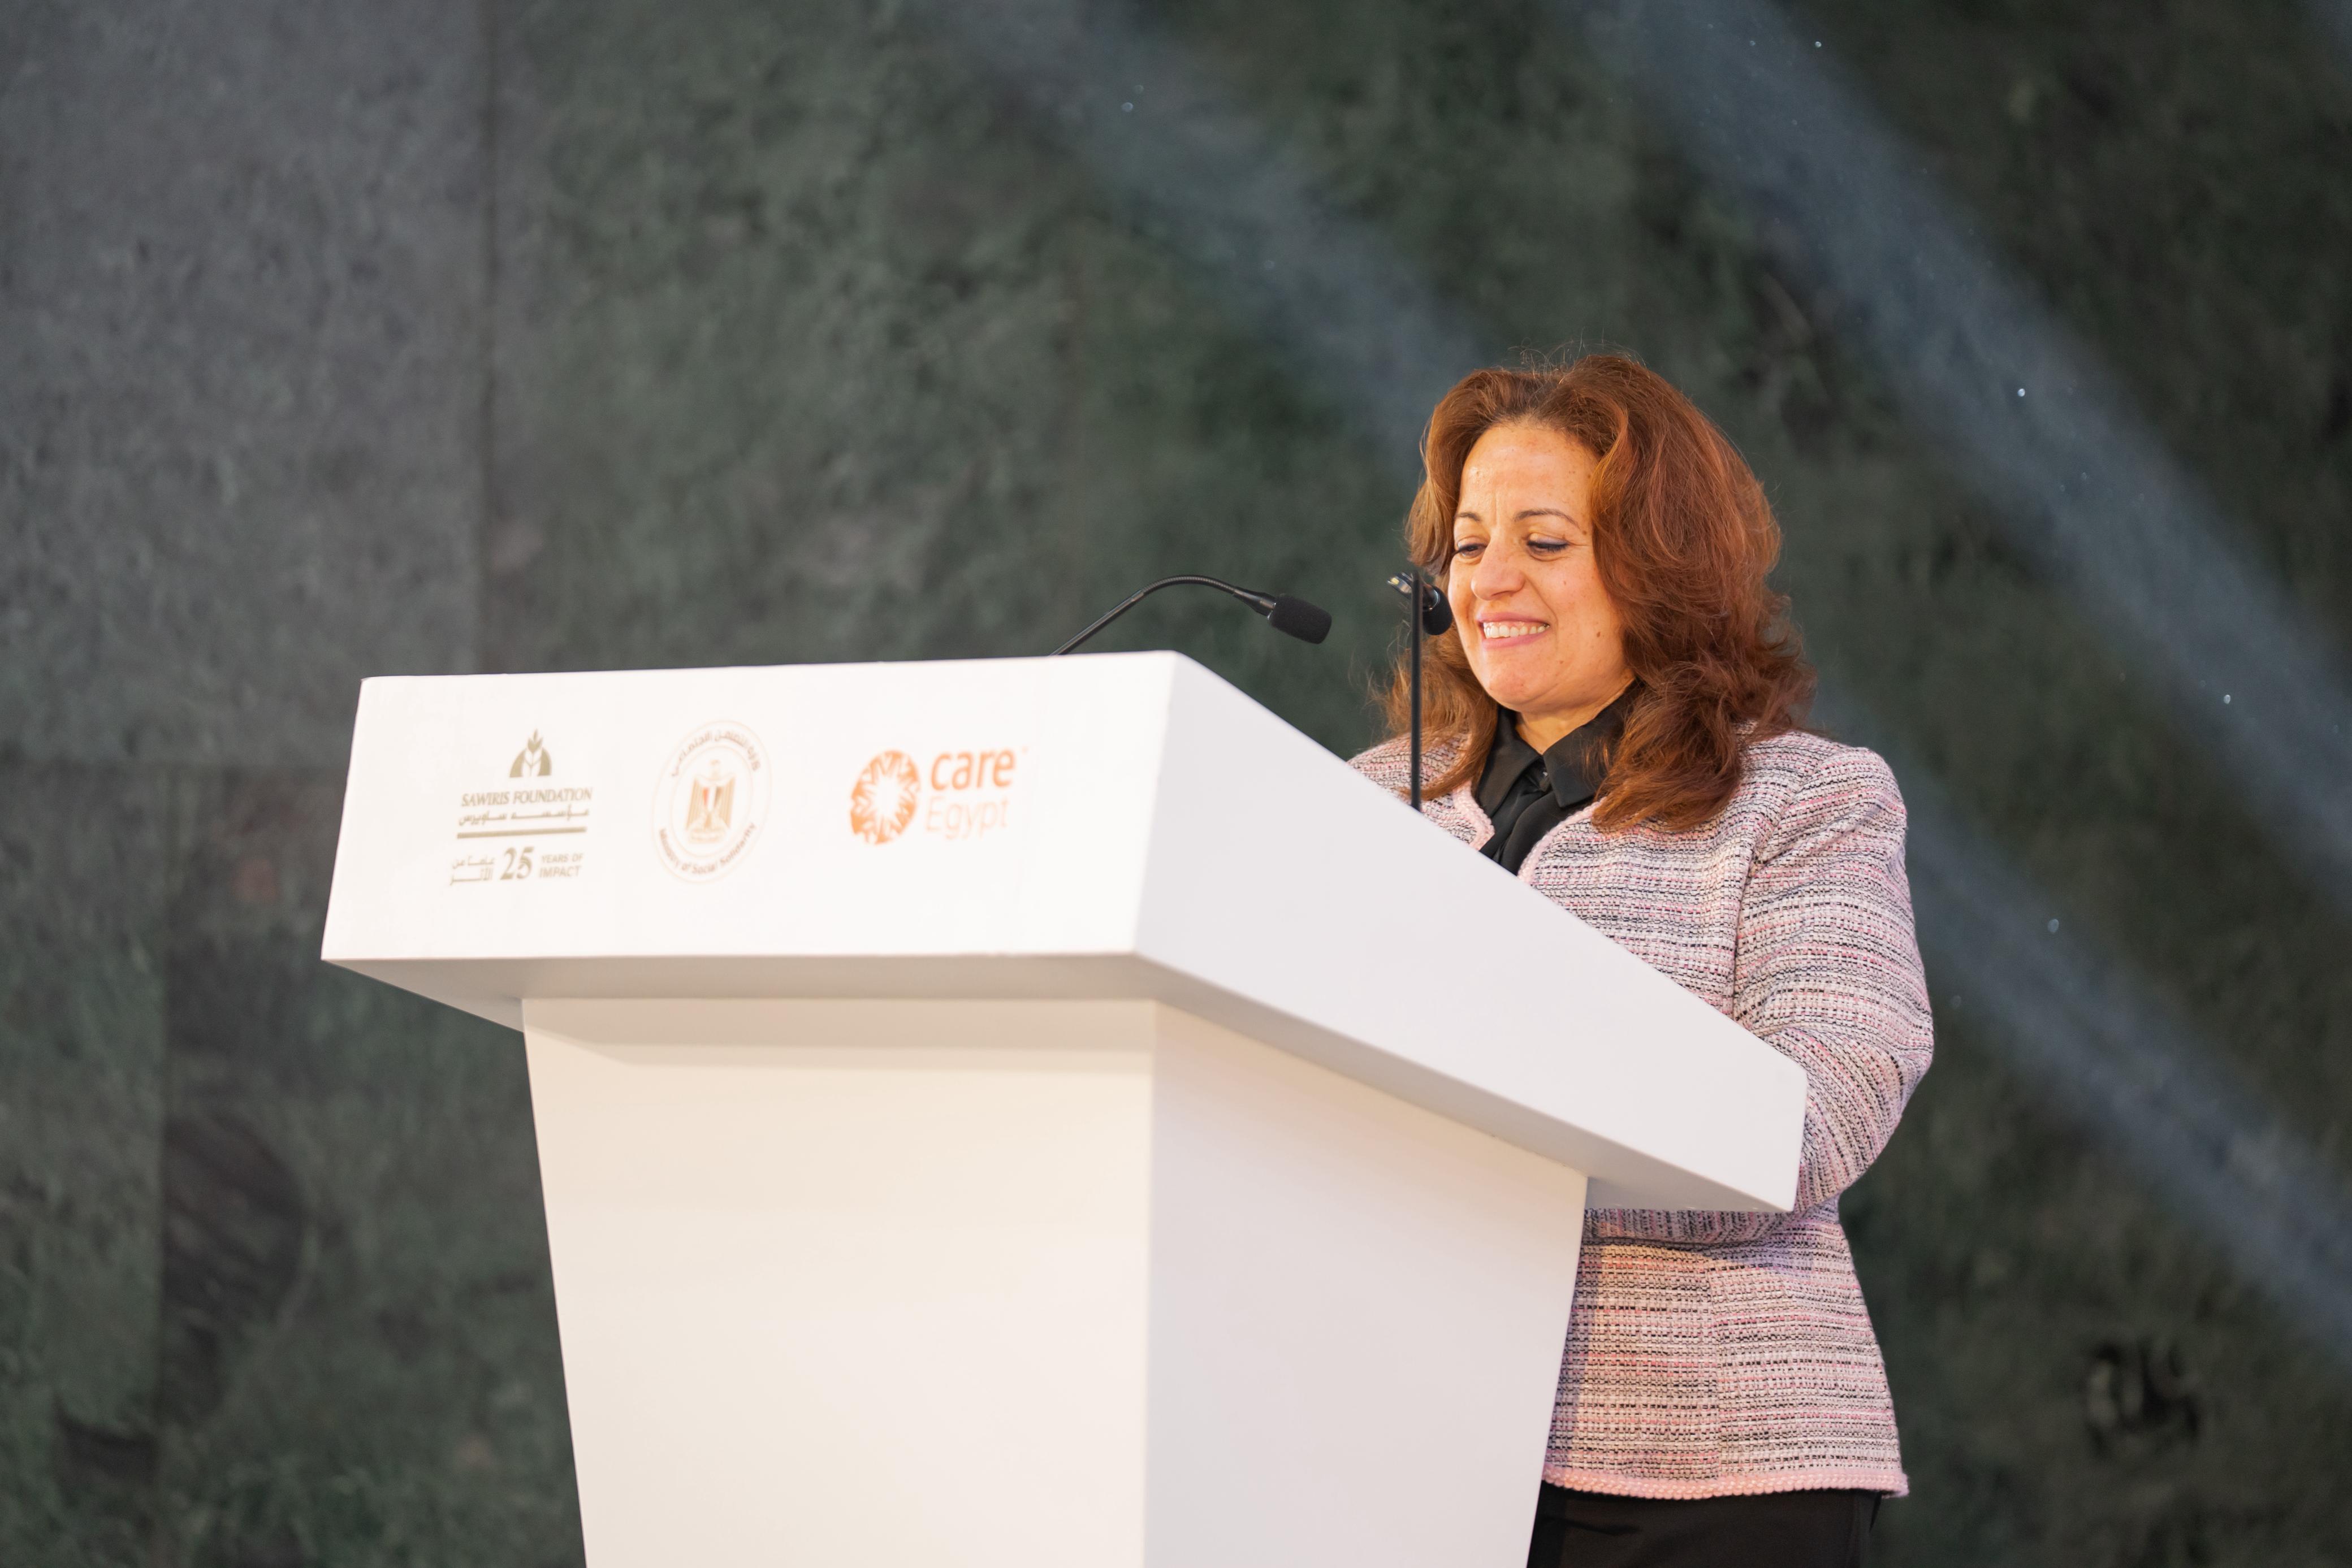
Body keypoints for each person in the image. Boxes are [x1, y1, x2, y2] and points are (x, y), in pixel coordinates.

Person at [1354, 357, 1932, 1568]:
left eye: (1544, 541)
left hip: (1713, 1468)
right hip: (1397, 1444)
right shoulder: (1365, 802)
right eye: (1467, 544)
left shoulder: (1806, 800)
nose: (1488, 579)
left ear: (1657, 565)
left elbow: (1823, 1106)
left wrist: (1490, 1150)